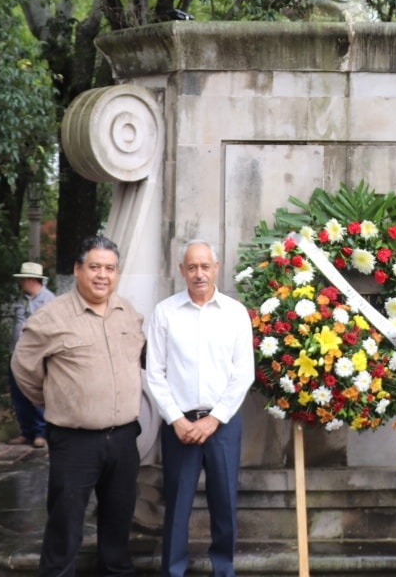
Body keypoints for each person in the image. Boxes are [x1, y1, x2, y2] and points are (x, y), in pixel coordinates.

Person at [13, 236, 145, 577]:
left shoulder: (127, 312)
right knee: (65, 526)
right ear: (77, 269)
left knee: (118, 523)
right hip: (75, 442)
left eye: (110, 268)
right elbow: (23, 369)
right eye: (95, 267)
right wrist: (56, 400)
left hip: (123, 439)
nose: (103, 275)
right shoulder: (52, 316)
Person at [144, 241, 253, 577]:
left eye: (205, 266)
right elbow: (154, 373)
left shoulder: (235, 313)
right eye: (192, 267)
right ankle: (173, 571)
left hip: (222, 424)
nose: (199, 273)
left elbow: (243, 372)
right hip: (179, 426)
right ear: (182, 271)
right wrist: (175, 418)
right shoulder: (165, 312)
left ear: (216, 268)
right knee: (176, 505)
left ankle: (224, 569)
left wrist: (215, 418)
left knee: (225, 503)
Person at [7, 261, 54, 449]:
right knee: (18, 394)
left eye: (23, 279)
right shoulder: (21, 299)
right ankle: (26, 431)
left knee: (34, 394)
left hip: (35, 357)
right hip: (16, 354)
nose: (21, 283)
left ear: (31, 280)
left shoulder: (49, 300)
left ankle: (41, 432)